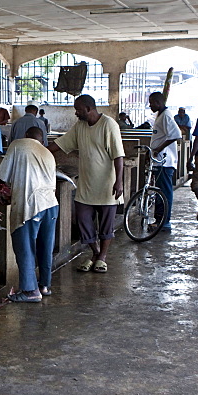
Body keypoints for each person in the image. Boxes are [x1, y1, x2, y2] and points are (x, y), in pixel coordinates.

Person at [49, 94, 124, 272]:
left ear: (89, 109)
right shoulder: (80, 126)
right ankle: (96, 253)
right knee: (83, 220)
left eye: (78, 110)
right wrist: (40, 151)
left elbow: (118, 155)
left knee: (106, 224)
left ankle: (102, 258)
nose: (76, 113)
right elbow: (61, 143)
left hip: (107, 185)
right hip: (86, 185)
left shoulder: (109, 125)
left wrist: (119, 181)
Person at [0, 126, 59, 302]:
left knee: (25, 247)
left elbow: (2, 176)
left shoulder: (18, 144)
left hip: (30, 205)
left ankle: (30, 291)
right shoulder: (48, 153)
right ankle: (44, 286)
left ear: (25, 135)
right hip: (51, 205)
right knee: (45, 248)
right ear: (41, 140)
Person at [149, 91, 181, 232]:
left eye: (151, 103)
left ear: (158, 102)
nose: (150, 106)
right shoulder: (161, 116)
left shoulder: (166, 116)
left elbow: (176, 134)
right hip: (160, 160)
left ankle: (164, 222)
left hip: (165, 161)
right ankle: (159, 220)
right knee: (160, 192)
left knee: (165, 192)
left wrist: (158, 149)